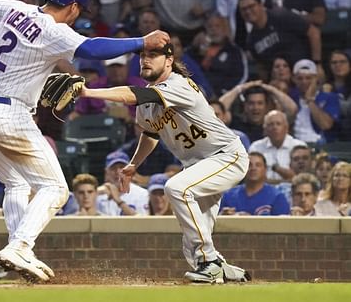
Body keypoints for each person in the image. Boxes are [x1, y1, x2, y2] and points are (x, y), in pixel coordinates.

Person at [0, 0, 169, 282]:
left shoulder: (16, 8)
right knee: (56, 188)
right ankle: (21, 246)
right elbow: (93, 49)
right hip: (9, 115)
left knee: (17, 185)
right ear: (75, 7)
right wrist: (141, 42)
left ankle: (18, 249)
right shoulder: (55, 31)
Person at [78, 42, 250, 283]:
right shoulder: (147, 104)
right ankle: (219, 268)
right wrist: (133, 165)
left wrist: (86, 92)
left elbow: (134, 95)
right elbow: (151, 134)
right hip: (198, 167)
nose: (145, 60)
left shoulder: (178, 84)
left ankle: (210, 262)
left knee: (176, 188)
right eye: (142, 56)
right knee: (193, 245)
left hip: (225, 156)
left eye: (153, 55)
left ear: (169, 61)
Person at [220, 152, 290, 216]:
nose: (253, 168)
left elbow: (283, 226)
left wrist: (251, 221)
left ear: (265, 170)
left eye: (258, 165)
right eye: (249, 165)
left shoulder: (277, 196)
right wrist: (222, 215)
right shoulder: (228, 195)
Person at [249, 110, 306, 184]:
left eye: (278, 124)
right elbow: (253, 177)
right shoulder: (256, 147)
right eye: (271, 124)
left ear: (286, 128)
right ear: (265, 129)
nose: (275, 127)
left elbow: (302, 177)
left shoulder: (299, 146)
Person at [96, 150, 149, 216]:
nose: (118, 172)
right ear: (106, 173)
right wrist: (95, 192)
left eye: (122, 167)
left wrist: (118, 200)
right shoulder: (97, 196)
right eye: (113, 168)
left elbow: (144, 223)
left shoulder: (142, 194)